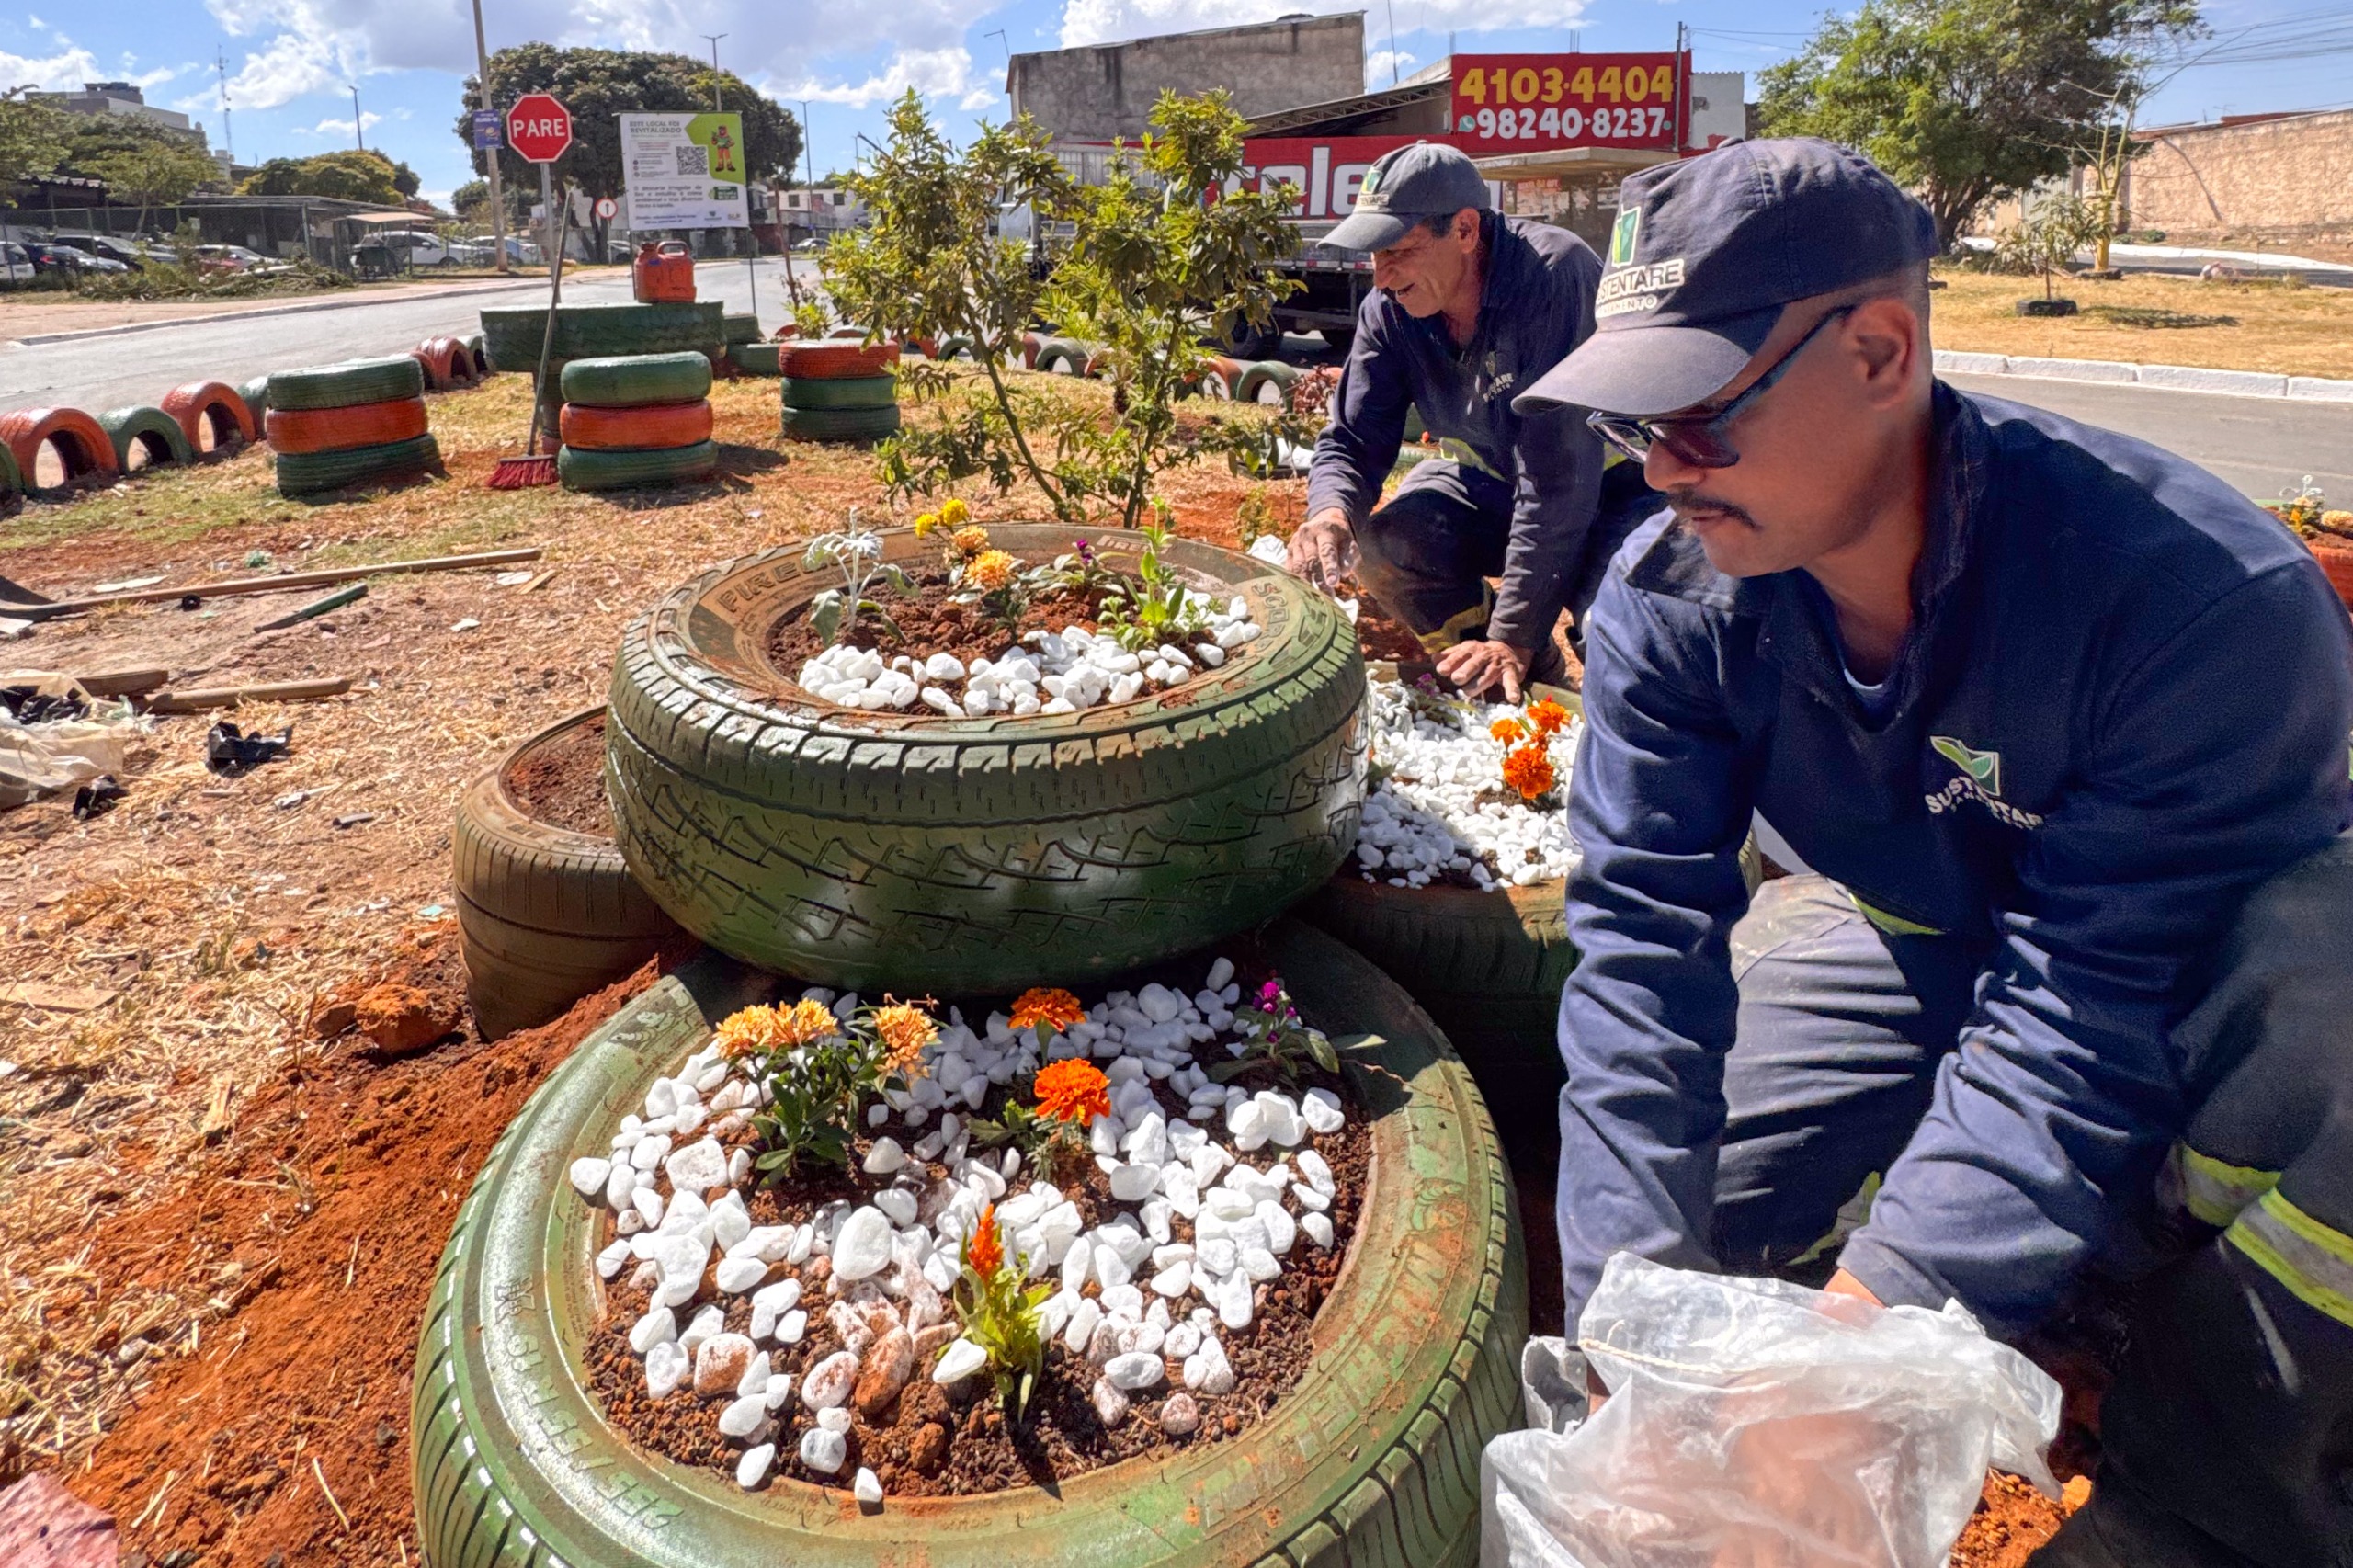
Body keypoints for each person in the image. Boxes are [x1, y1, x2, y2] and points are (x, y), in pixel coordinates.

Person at [1515, 137, 2353, 1567]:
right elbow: (1640, 953)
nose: (1659, 472)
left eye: (1699, 416)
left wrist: (1860, 1344)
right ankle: (2017, 1276)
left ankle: (2191, 1473)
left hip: (2170, 990)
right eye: (1627, 429)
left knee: (2328, 993)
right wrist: (1634, 1333)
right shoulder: (1675, 601)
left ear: (1882, 352)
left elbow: (2085, 1005)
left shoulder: (2196, 604)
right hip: (1925, 949)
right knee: (1677, 1248)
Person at [1290, 142, 1638, 700]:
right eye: (1374, 257)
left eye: (1397, 251)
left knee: (1622, 635)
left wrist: (1514, 633)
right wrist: (1331, 515)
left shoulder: (1553, 277)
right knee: (1388, 546)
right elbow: (1356, 437)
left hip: (1613, 493)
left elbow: (1560, 476)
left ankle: (1552, 683)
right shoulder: (1391, 310)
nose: (1382, 277)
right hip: (1506, 488)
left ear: (1467, 231)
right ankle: (1515, 686)